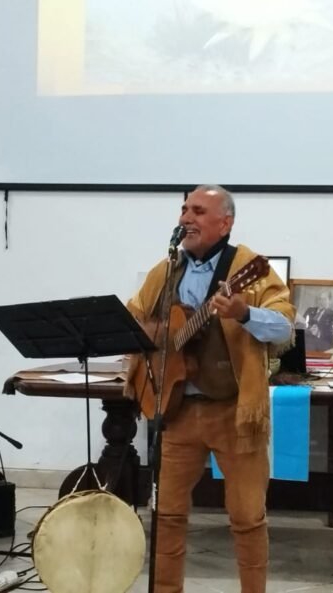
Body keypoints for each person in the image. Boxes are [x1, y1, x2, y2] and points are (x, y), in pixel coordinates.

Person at [126, 185, 295, 593]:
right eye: (184, 209)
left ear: (225, 222)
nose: (186, 217)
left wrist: (244, 312)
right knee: (166, 514)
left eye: (198, 211)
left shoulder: (250, 268)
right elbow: (132, 321)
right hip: (177, 411)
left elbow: (285, 327)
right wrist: (163, 335)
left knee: (247, 516)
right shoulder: (166, 269)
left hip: (235, 413)